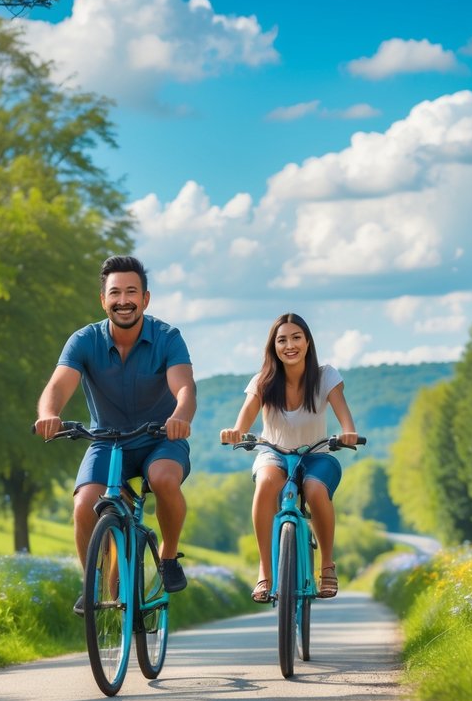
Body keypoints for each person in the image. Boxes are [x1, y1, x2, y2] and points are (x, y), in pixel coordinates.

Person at [35, 255, 196, 613]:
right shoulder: (84, 340)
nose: (124, 300)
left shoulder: (168, 337)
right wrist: (49, 414)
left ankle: (168, 557)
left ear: (146, 299)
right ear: (103, 300)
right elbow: (58, 385)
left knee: (164, 479)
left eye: (131, 292)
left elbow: (184, 388)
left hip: (160, 437)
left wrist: (180, 417)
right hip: (107, 441)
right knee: (83, 504)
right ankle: (93, 583)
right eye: (115, 292)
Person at [219, 313, 358, 603]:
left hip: (316, 453)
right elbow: (247, 412)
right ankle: (265, 571)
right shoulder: (263, 381)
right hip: (275, 452)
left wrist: (348, 432)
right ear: (274, 347)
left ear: (308, 341)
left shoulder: (325, 376)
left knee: (316, 489)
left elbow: (342, 410)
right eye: (282, 340)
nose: (290, 345)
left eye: (296, 337)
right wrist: (237, 431)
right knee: (266, 483)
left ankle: (328, 566)